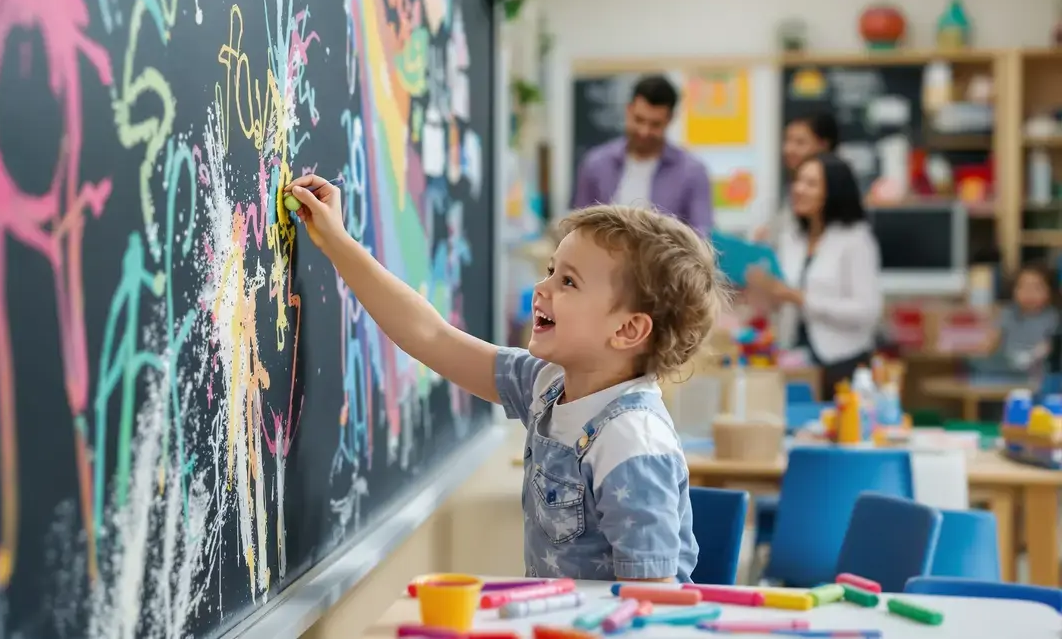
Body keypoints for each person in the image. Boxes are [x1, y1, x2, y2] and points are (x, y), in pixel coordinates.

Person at [284, 173, 729, 582]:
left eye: (568, 282)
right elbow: (431, 336)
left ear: (628, 329)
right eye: (551, 270)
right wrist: (337, 242)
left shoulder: (630, 439)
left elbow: (653, 599)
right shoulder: (548, 385)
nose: (543, 287)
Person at [745, 153, 881, 396]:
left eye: (811, 184)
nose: (798, 189)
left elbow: (867, 311)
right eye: (798, 181)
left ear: (834, 191)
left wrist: (801, 298)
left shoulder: (856, 240)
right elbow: (782, 299)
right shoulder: (792, 238)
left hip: (842, 364)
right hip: (794, 360)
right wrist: (766, 288)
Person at [571, 76, 713, 234]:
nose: (644, 131)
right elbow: (579, 227)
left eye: (655, 124)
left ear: (670, 119)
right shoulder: (596, 165)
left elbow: (702, 234)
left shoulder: (692, 172)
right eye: (639, 120)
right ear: (628, 110)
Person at [753, 112, 839, 243]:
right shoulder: (787, 186)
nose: (788, 149)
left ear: (824, 145)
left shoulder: (840, 192)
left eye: (800, 142)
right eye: (787, 140)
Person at [972, 263, 1059, 378]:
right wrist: (983, 347)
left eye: (1036, 288)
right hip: (1008, 367)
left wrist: (1042, 351)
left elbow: (1051, 346)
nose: (1029, 293)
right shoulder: (1008, 313)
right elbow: (993, 339)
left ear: (1049, 292)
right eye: (1022, 287)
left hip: (1038, 370)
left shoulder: (1053, 317)